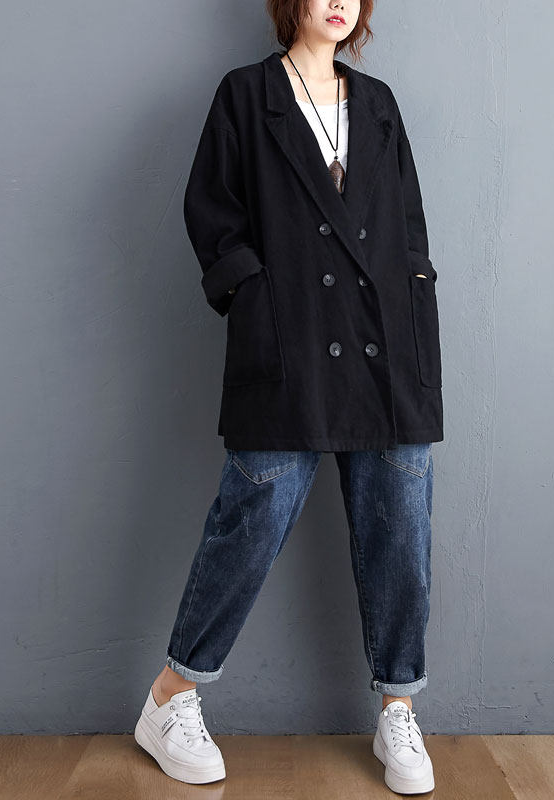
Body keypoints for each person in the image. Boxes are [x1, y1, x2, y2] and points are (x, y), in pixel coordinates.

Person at [134, 0, 443, 794]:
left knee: (401, 528)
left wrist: (416, 292)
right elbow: (211, 212)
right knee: (253, 515)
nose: (339, 1)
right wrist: (254, 297)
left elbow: (407, 222)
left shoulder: (378, 103)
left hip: (386, 347)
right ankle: (170, 698)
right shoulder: (247, 94)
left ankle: (399, 708)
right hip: (290, 341)